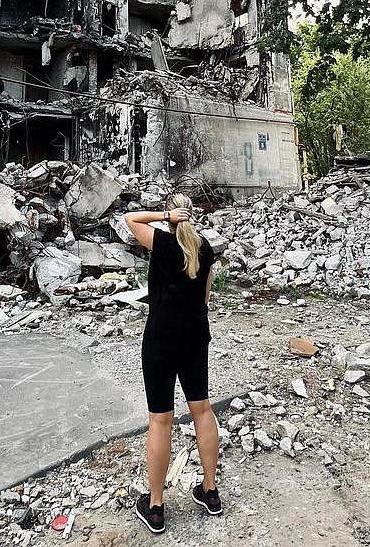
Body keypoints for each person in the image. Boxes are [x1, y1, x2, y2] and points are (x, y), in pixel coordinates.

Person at [124, 193, 221, 534]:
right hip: (194, 338)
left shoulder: (163, 243)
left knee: (160, 420)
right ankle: (210, 491)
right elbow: (206, 298)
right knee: (202, 410)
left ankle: (155, 507)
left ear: (172, 216)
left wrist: (165, 215)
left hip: (161, 340)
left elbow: (130, 218)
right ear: (192, 216)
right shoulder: (205, 250)